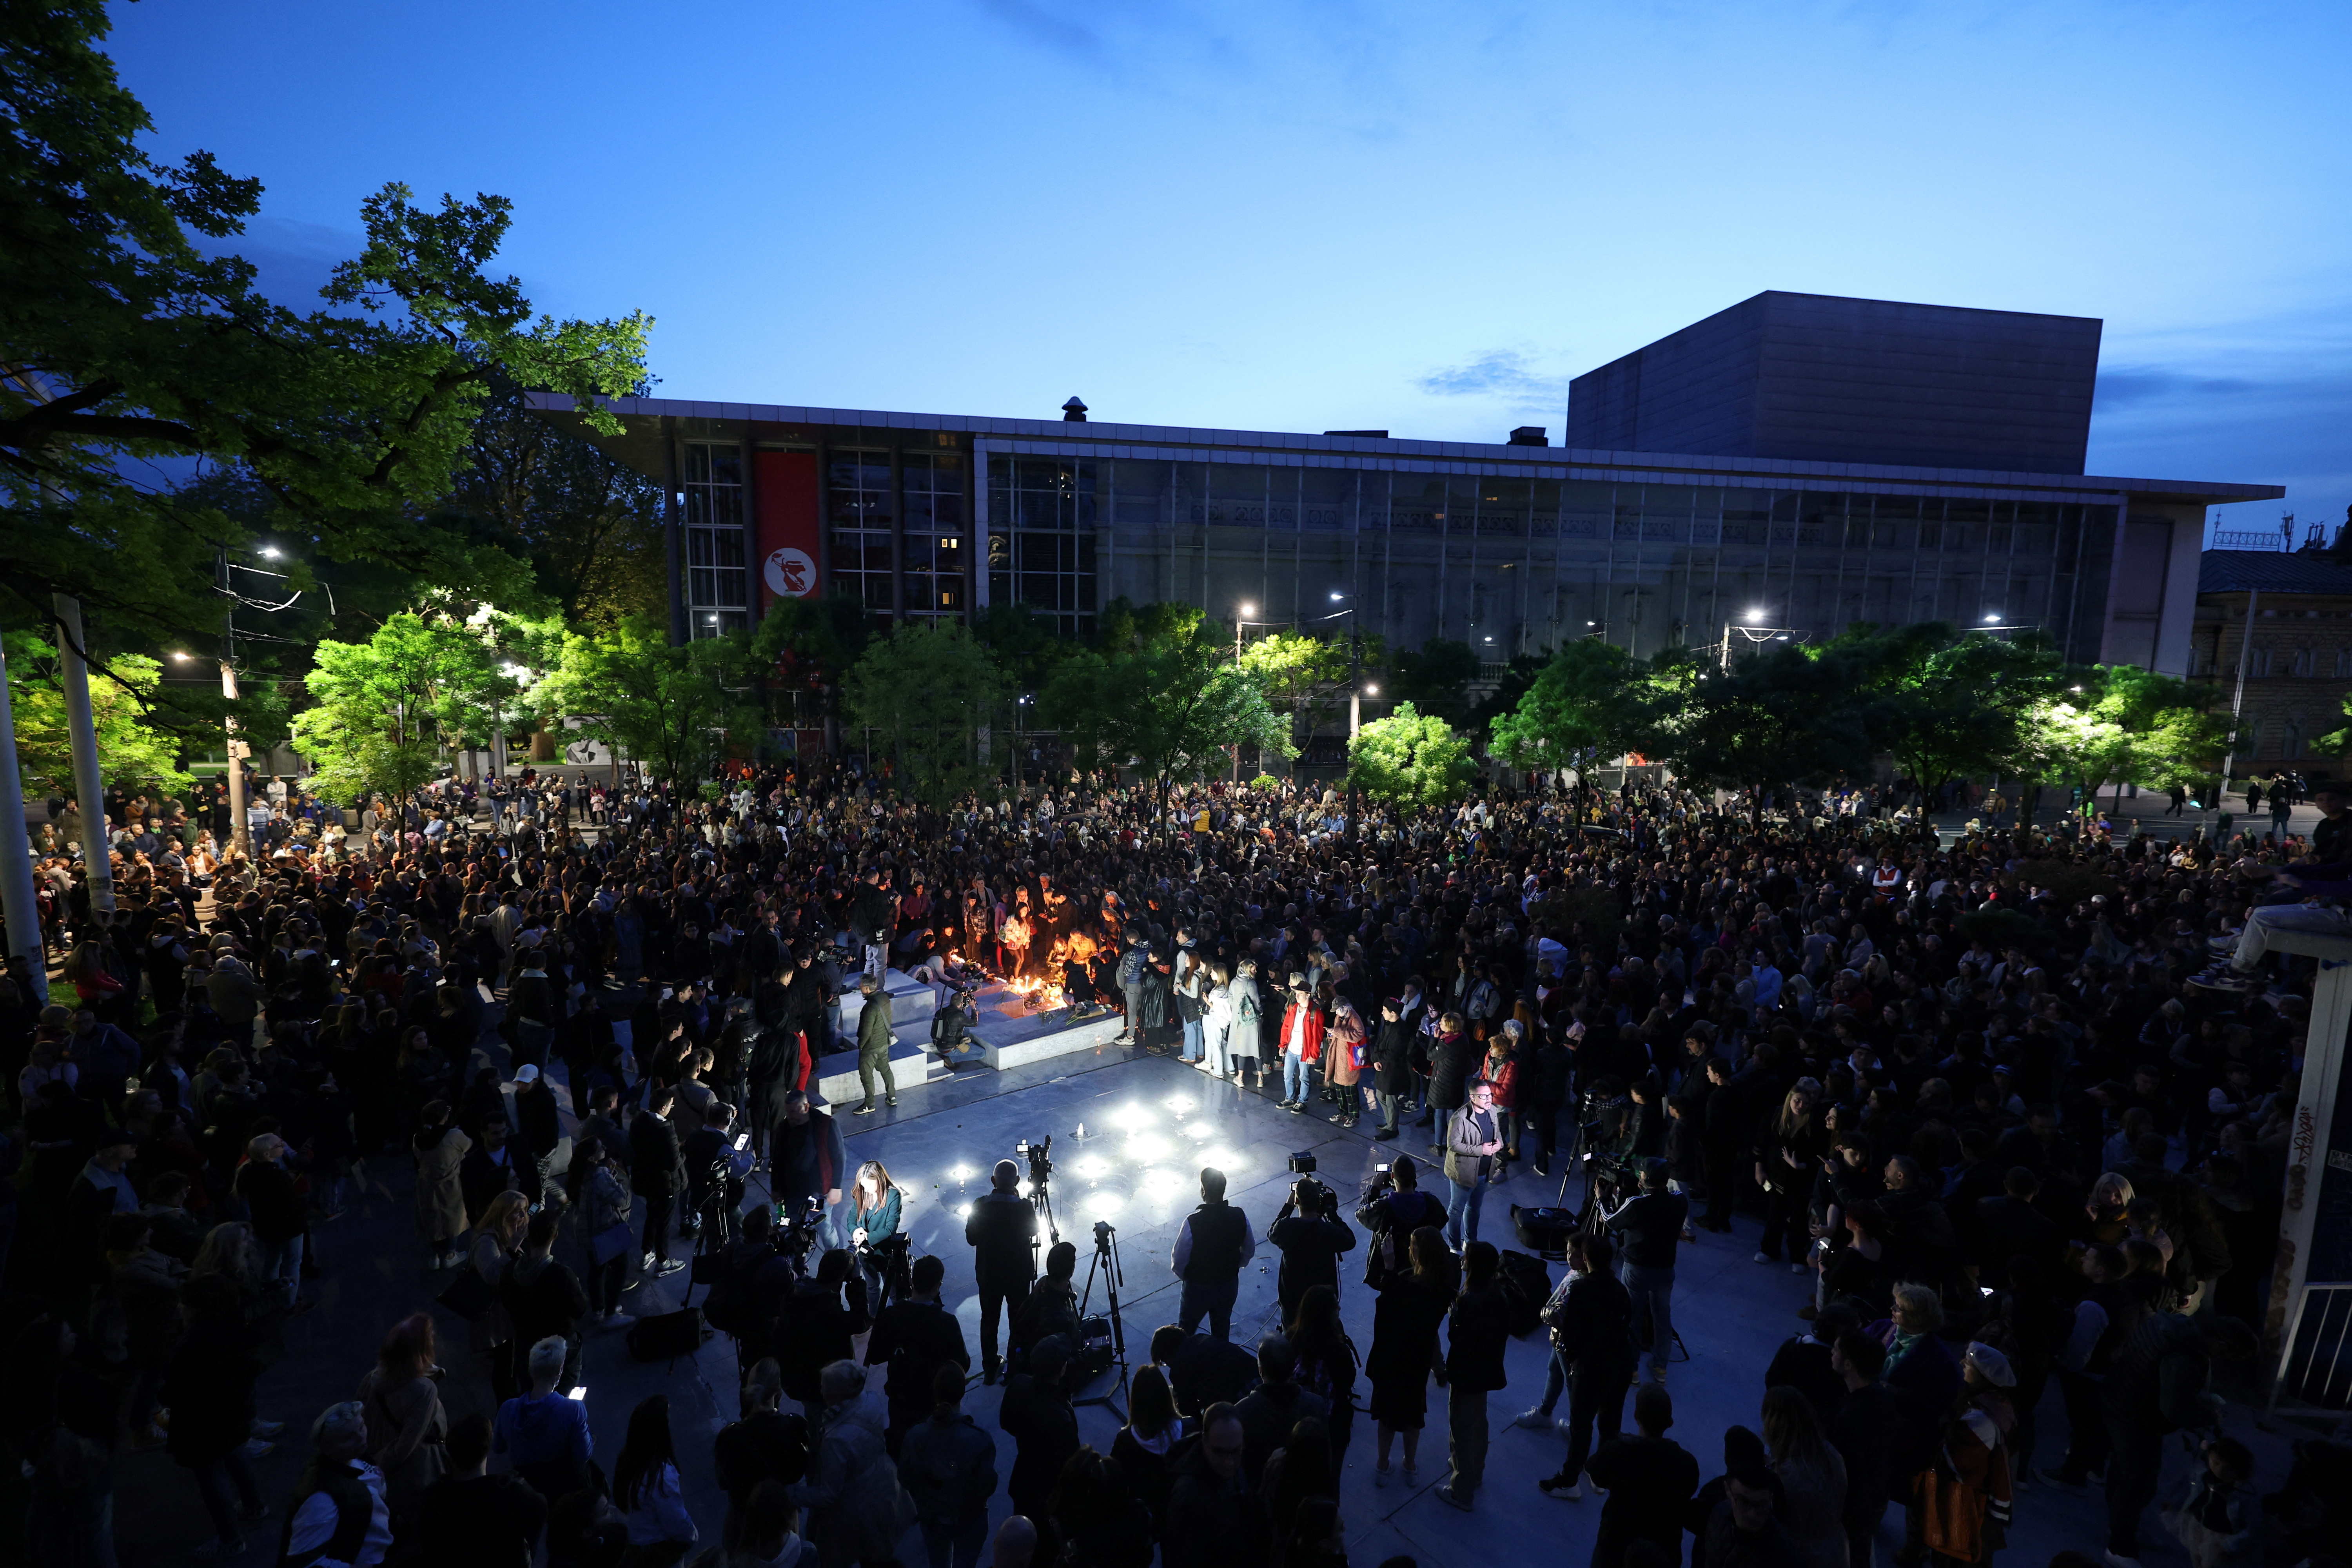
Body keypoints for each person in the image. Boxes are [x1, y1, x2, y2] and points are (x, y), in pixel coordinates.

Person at [2102, 1312, 2257, 1568]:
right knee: (2137, 1482)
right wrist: (2209, 1415)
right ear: (2220, 1344)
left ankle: (2120, 1530)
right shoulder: (2185, 1356)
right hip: (2133, 1416)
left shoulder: (2178, 1328)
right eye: (2230, 1356)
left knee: (2125, 1475)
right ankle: (2119, 1547)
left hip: (2122, 1401)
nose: (2226, 1362)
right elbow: (2174, 1408)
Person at [1534, 1230, 1633, 1502]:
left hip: (1592, 1368)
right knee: (1610, 1423)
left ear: (1586, 1257)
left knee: (1581, 1427)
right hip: (1621, 1365)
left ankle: (1569, 1482)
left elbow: (1572, 1334)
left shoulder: (1581, 1289)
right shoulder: (1621, 1289)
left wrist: (1575, 1358)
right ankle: (1600, 1475)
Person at [791, 1360, 914, 1568]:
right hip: (885, 1484)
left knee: (866, 1552)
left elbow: (829, 1495)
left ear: (837, 1396)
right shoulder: (871, 1401)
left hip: (859, 1505)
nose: (821, 1393)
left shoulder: (837, 1440)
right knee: (879, 1549)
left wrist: (793, 1494)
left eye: (825, 1390)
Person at [1367, 1226, 1452, 1489]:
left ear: (1420, 1252)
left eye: (1413, 1245)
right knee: (1413, 1413)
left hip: (1393, 1358)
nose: (1409, 1249)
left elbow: (1386, 1314)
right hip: (1417, 1360)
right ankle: (1410, 1466)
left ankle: (1383, 1465)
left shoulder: (1407, 1286)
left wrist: (1390, 1266)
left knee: (1387, 1416)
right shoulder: (1442, 1286)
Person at [354, 1310, 449, 1544]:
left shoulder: (371, 1378)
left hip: (377, 1470)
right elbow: (407, 1445)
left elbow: (360, 1420)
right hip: (413, 1475)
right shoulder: (423, 1390)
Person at [1583, 1383, 1699, 1568]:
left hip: (1615, 1545)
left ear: (1636, 1417)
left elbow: (1595, 1472)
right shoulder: (1687, 1463)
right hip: (1663, 1552)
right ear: (1670, 1423)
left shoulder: (1617, 1451)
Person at [866, 1253, 971, 1453]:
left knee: (902, 1448)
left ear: (912, 1280)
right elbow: (962, 1365)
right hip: (931, 1403)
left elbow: (875, 1355)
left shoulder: (891, 1315)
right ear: (938, 1285)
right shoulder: (947, 1323)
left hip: (900, 1399)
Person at [418, 1410, 548, 1568]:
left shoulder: (432, 1497)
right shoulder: (513, 1496)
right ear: (488, 1445)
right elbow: (540, 1508)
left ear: (449, 1448)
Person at [902, 1362, 1000, 1568]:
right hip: (968, 1521)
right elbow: (987, 1486)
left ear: (935, 1392)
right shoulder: (979, 1439)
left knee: (938, 1562)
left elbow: (905, 1477)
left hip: (931, 1518)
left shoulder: (915, 1435)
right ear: (963, 1392)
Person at [1436, 1238, 1509, 1511]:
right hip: (1487, 1370)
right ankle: (1475, 1472)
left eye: (1466, 1257)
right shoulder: (1497, 1293)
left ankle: (1461, 1490)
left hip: (1467, 1372)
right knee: (1479, 1421)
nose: (1463, 1261)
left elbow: (1458, 1338)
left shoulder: (1469, 1300)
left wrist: (1454, 1314)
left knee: (1461, 1429)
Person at [1605, 1157, 1689, 1385]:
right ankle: (1661, 1367)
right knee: (1663, 1318)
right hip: (1665, 1271)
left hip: (1637, 1270)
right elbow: (1673, 1193)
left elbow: (1611, 1221)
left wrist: (1603, 1200)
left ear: (1645, 1179)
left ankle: (1632, 1370)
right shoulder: (1680, 1202)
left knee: (1633, 1318)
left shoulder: (1637, 1204)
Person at [281, 1401, 394, 1568]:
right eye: (348, 1438)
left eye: (362, 1427)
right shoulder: (320, 1499)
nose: (361, 1438)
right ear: (325, 1447)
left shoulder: (355, 1457)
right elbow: (304, 1563)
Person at [714, 1359, 813, 1547]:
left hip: (744, 1518)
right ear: (779, 1390)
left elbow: (723, 1482)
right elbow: (798, 1473)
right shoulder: (794, 1429)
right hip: (782, 1517)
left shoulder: (730, 1436)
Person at [495, 1335, 594, 1502]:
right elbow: (583, 1455)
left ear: (530, 1370)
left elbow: (498, 1447)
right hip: (562, 1489)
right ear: (559, 1370)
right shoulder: (573, 1409)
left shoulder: (508, 1408)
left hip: (524, 1491)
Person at [966, 1160, 1040, 1383]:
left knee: (989, 1320)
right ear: (1017, 1182)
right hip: (1018, 1276)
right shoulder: (1024, 1207)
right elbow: (1035, 1231)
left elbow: (971, 1239)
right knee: (1018, 1321)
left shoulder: (980, 1205)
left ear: (992, 1181)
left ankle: (990, 1368)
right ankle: (1015, 1367)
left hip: (989, 1275)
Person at [1827, 1332, 1895, 1568]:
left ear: (1849, 1364)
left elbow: (1845, 1467)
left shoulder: (1851, 1416)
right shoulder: (1882, 1398)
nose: (1831, 1353)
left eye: (1836, 1349)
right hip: (1874, 1496)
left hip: (1852, 1505)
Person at [1162, 1403, 1258, 1568]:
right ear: (1205, 1441)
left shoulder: (1236, 1465)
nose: (1229, 1462)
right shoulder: (1188, 1496)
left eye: (1236, 1451)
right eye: (1220, 1452)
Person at [1762, 1386, 1848, 1568]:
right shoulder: (1828, 1451)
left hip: (1807, 1558)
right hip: (1835, 1549)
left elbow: (1787, 1531)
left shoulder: (1792, 1478)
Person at [1171, 1166, 1257, 1343]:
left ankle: (1183, 1365)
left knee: (1185, 1332)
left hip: (1197, 1287)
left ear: (1203, 1191)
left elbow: (1178, 1261)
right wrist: (1235, 1266)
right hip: (1228, 1284)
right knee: (1221, 1330)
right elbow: (1249, 1249)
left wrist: (1189, 1279)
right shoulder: (1239, 1215)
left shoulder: (1192, 1222)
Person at [1000, 1338, 1081, 1524]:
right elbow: (1071, 1462)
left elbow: (1006, 1423)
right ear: (1062, 1369)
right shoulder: (1061, 1417)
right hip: (1049, 1493)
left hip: (1023, 1477)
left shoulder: (1018, 1384)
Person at [1234, 1334, 1330, 1488]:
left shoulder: (1241, 1411)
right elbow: (1325, 1458)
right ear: (1293, 1368)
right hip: (1302, 1494)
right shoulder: (1316, 1405)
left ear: (1261, 1370)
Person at [616, 1395, 699, 1567]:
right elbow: (675, 1520)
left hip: (634, 1545)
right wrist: (692, 1535)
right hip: (658, 1552)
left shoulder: (627, 1457)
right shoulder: (661, 1475)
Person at [2158, 1436, 2259, 1568]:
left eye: (2228, 1469)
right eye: (2216, 1463)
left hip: (2220, 1537)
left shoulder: (2243, 1496)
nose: (2220, 1471)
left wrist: (2229, 1546)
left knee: (2212, 1563)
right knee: (2195, 1554)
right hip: (2197, 1525)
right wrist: (2174, 1503)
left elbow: (2251, 1528)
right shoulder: (2203, 1475)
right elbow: (2189, 1489)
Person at [1266, 1176, 1355, 1323]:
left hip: (1293, 1302)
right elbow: (1350, 1241)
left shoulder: (1286, 1228)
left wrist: (1288, 1207)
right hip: (1323, 1302)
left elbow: (1271, 1233)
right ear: (1319, 1202)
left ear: (1297, 1201)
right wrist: (1332, 1215)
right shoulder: (1328, 1231)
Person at [1109, 1365, 1186, 1534]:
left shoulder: (1125, 1441)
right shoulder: (1190, 1429)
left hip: (1148, 1519)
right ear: (1167, 1396)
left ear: (1135, 1401)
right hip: (1183, 1512)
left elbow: (1113, 1482)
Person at [773, 1091, 848, 1248]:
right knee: (792, 1231)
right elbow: (778, 1160)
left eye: (793, 1111)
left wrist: (836, 1187)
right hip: (792, 1192)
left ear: (806, 1107)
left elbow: (839, 1157)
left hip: (819, 1192)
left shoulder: (826, 1125)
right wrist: (776, 1188)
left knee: (825, 1229)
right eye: (787, 1111)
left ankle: (836, 1260)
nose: (789, 1116)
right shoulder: (784, 1128)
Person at [631, 1084, 688, 1278]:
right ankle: (664, 1262)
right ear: (663, 1108)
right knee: (664, 1222)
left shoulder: (639, 1121)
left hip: (647, 1181)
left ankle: (647, 1254)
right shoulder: (666, 1131)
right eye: (671, 1106)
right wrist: (683, 1151)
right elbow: (674, 1164)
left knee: (652, 1216)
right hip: (667, 1184)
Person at [1703, 1462, 1807, 1568]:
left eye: (1761, 1505)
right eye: (1744, 1502)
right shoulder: (1718, 1516)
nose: (1752, 1514)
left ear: (1771, 1498)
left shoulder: (1786, 1558)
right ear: (1728, 1490)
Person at [1441, 1079, 1504, 1247]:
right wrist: (1480, 1150)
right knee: (1456, 1210)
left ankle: (1470, 1242)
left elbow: (1497, 1133)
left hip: (1484, 1171)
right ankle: (1454, 1246)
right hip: (1464, 1173)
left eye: (1490, 1095)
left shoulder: (1492, 1112)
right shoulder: (1460, 1118)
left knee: (1474, 1209)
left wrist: (1500, 1144)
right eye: (1483, 1096)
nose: (1489, 1099)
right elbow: (1453, 1145)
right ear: (1472, 1097)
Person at [412, 1101, 470, 1271]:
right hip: (451, 1184)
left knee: (432, 1219)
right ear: (444, 1117)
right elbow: (468, 1145)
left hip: (427, 1184)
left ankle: (435, 1257)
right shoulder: (453, 1135)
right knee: (452, 1219)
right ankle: (450, 1255)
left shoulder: (418, 1137)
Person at [852, 975, 898, 1114]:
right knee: (886, 1070)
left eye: (861, 985)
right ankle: (892, 1097)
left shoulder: (870, 1007)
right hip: (884, 1043)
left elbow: (866, 1031)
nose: (859, 987)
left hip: (870, 1048)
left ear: (867, 988)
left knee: (867, 1075)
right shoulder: (885, 998)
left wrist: (861, 1045)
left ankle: (870, 1104)